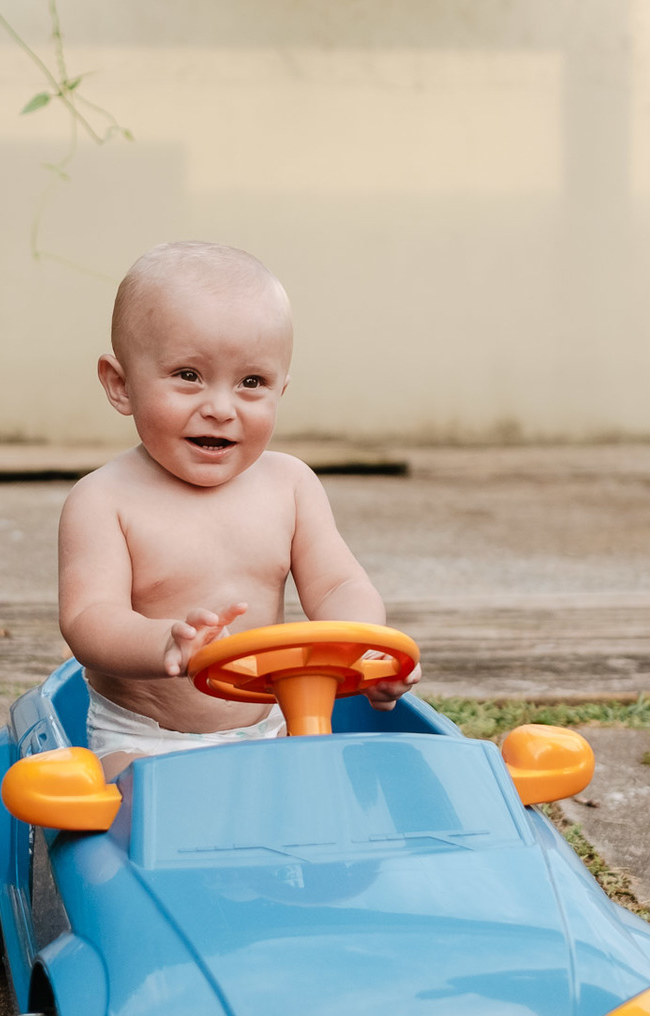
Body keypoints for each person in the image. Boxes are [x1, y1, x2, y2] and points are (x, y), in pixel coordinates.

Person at [58, 240, 417, 775]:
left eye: (252, 383)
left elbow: (339, 586)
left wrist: (360, 651)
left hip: (272, 730)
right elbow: (89, 619)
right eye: (188, 375)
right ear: (121, 385)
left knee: (325, 812)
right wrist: (163, 642)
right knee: (130, 824)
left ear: (281, 389)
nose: (221, 408)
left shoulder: (290, 485)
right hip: (144, 742)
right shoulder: (103, 499)